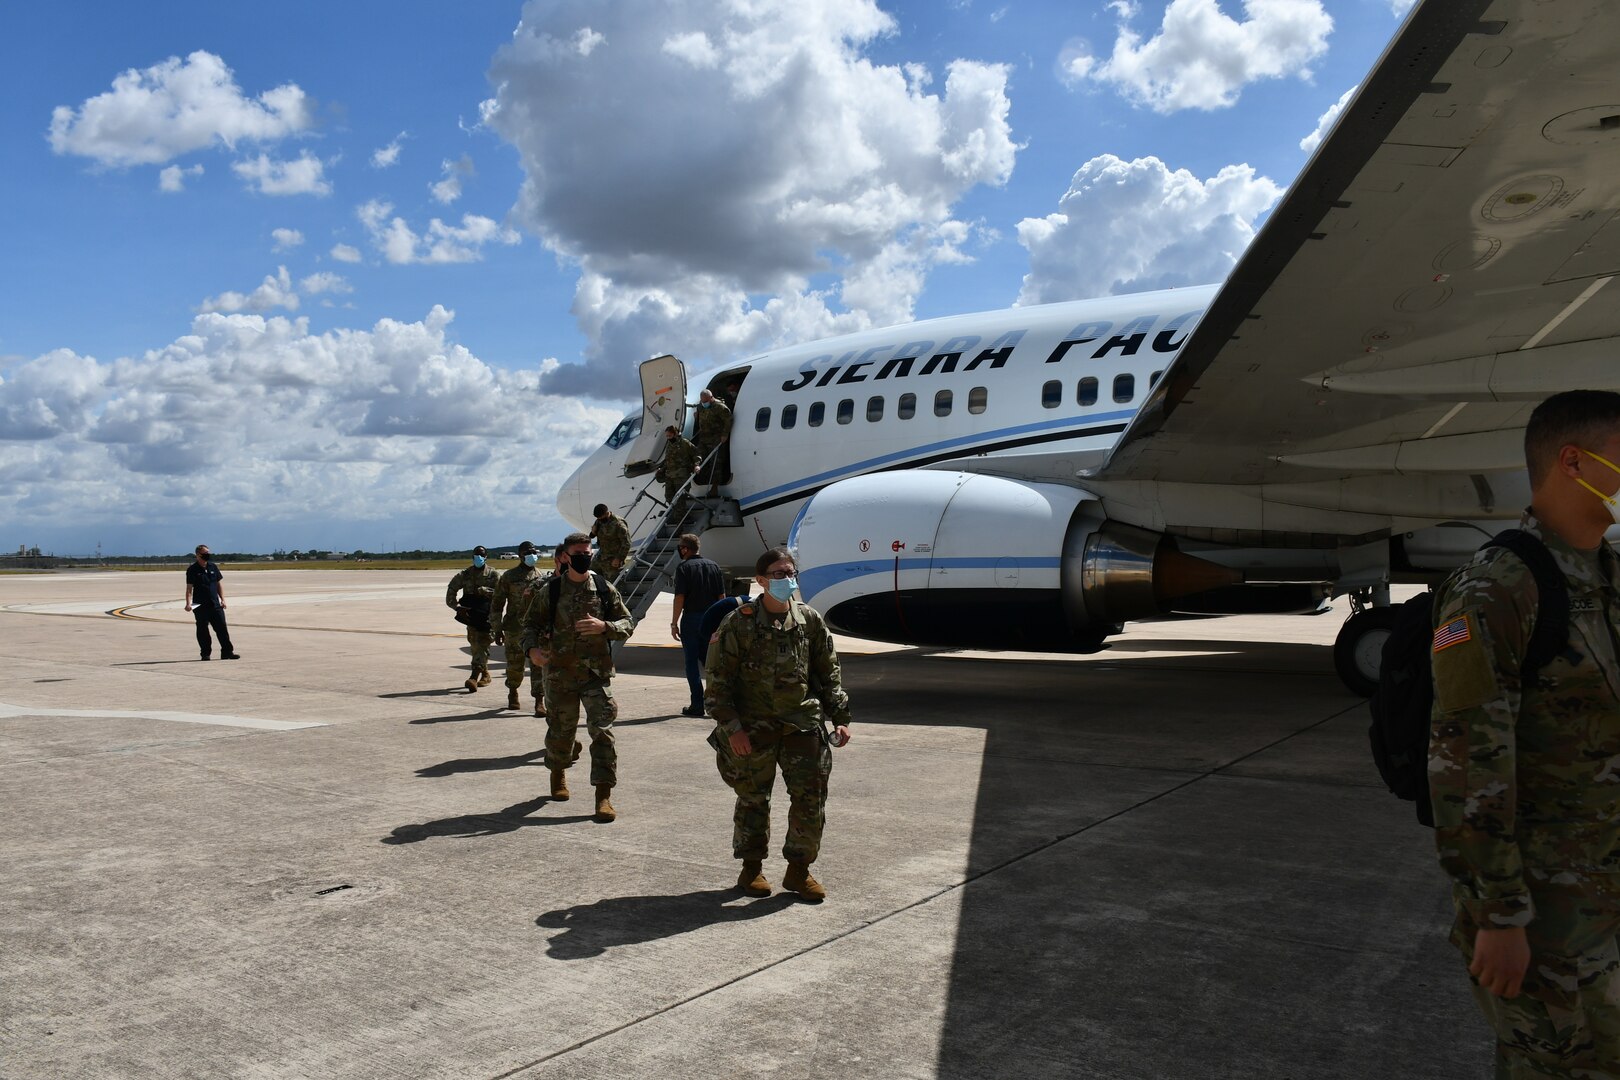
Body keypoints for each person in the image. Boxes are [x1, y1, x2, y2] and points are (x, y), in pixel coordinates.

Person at [1429, 389, 1620, 1076]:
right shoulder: (1497, 589)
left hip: (1607, 898)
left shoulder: (1609, 577)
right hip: (1549, 922)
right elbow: (1467, 763)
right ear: (1576, 461)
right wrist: (1500, 916)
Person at [705, 548, 852, 901]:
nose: (786, 579)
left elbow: (827, 672)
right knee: (754, 799)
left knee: (810, 800)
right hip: (754, 729)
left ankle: (799, 871)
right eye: (777, 574)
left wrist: (840, 717)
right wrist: (733, 728)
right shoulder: (739, 622)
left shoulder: (809, 621)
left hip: (802, 724)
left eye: (790, 572)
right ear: (760, 580)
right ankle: (751, 869)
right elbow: (718, 680)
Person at [524, 532, 635, 821]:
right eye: (579, 552)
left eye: (588, 551)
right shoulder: (550, 591)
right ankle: (558, 773)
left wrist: (604, 626)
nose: (585, 556)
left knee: (602, 733)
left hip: (595, 674)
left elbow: (627, 622)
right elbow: (530, 625)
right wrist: (532, 650)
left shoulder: (602, 587)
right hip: (559, 674)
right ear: (565, 557)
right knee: (561, 731)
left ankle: (603, 795)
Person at [669, 533, 726, 717]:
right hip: (712, 618)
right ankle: (716, 701)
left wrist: (674, 622)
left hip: (692, 619)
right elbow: (721, 597)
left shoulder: (684, 568)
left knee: (691, 662)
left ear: (685, 549)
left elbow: (680, 597)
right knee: (710, 661)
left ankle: (697, 704)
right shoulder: (714, 565)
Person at [490, 540, 546, 715]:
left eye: (534, 551)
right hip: (514, 628)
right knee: (515, 665)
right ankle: (512, 693)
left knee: (538, 665)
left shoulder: (542, 576)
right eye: (529, 552)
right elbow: (497, 603)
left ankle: (539, 701)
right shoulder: (509, 577)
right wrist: (497, 628)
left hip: (536, 629)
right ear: (521, 555)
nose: (532, 555)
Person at [446, 545, 500, 692]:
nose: (479, 558)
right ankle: (486, 674)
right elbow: (451, 589)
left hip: (487, 616)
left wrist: (486, 591)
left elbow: (502, 594)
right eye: (476, 555)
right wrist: (457, 607)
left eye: (481, 555)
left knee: (482, 644)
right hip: (471, 616)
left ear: (486, 557)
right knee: (476, 645)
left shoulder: (493, 575)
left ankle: (473, 677)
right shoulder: (465, 574)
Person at [184, 544, 239, 661]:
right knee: (202, 630)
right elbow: (189, 589)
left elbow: (219, 584)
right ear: (198, 555)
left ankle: (227, 652)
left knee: (222, 628)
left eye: (208, 553)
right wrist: (188, 603)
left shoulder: (213, 567)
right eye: (205, 553)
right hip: (199, 605)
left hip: (215, 604)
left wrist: (223, 600)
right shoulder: (192, 570)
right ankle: (205, 653)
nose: (207, 555)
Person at [693, 388, 732, 496]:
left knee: (716, 462)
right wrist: (696, 418)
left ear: (711, 397)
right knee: (699, 458)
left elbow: (728, 420)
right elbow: (701, 418)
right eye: (702, 401)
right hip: (703, 438)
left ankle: (715, 488)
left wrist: (725, 434)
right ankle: (702, 483)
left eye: (706, 401)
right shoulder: (701, 406)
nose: (704, 403)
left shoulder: (720, 407)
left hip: (716, 438)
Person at [655, 424, 700, 505]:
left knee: (680, 499)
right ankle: (677, 515)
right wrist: (661, 469)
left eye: (670, 435)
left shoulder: (684, 443)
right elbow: (668, 460)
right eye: (667, 436)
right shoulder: (669, 445)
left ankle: (681, 517)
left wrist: (696, 465)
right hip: (670, 476)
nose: (668, 438)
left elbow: (696, 453)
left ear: (675, 434)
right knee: (669, 498)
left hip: (681, 475)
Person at [590, 503, 632, 582]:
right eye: (597, 518)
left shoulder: (618, 524)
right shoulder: (599, 521)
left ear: (606, 513)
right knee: (591, 575)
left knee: (611, 583)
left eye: (600, 517)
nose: (599, 519)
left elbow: (627, 543)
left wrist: (619, 558)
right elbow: (592, 535)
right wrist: (593, 532)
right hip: (601, 556)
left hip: (613, 559)